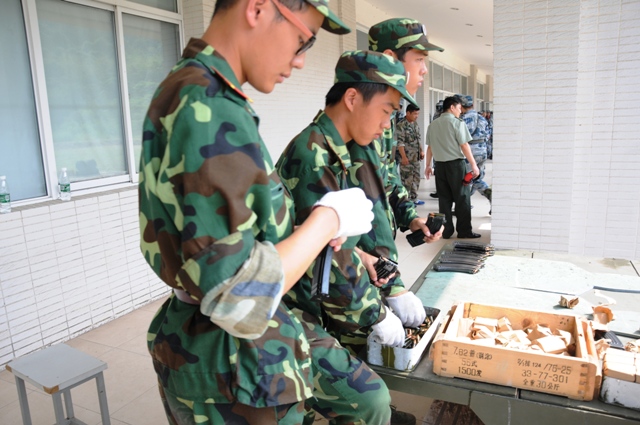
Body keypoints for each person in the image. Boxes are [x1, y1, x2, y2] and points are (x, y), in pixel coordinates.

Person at [137, 1, 378, 423]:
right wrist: (327, 220)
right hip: (230, 366)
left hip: (219, 354)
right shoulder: (209, 105)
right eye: (303, 40)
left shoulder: (195, 88)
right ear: (259, 8)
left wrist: (319, 230)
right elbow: (241, 296)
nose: (300, 61)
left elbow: (234, 235)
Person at [276, 49, 425, 424]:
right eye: (386, 111)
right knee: (366, 400)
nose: (386, 125)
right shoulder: (313, 154)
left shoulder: (342, 150)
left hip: (318, 299)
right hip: (291, 309)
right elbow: (327, 253)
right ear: (353, 98)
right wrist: (377, 313)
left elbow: (335, 240)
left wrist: (365, 258)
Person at [425, 96, 480, 239]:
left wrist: (427, 165)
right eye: (459, 108)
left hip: (440, 166)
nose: (460, 111)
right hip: (456, 166)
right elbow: (464, 145)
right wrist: (474, 165)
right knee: (462, 198)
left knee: (444, 200)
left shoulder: (433, 124)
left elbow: (430, 147)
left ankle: (446, 231)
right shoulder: (457, 123)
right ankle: (464, 231)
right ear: (452, 107)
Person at [460, 95, 492, 213]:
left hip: (471, 151)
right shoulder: (482, 118)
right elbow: (488, 134)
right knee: (476, 178)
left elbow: (463, 137)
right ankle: (489, 193)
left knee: (466, 178)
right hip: (483, 150)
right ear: (472, 105)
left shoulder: (465, 119)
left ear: (461, 107)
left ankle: (464, 205)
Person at [397, 104, 425, 205]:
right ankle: (406, 201)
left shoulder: (415, 124)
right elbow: (400, 143)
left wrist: (421, 151)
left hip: (415, 157)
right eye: (415, 114)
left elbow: (418, 139)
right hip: (407, 158)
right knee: (407, 180)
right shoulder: (401, 125)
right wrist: (403, 157)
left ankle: (414, 198)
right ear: (408, 113)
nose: (417, 116)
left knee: (416, 178)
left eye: (418, 114)